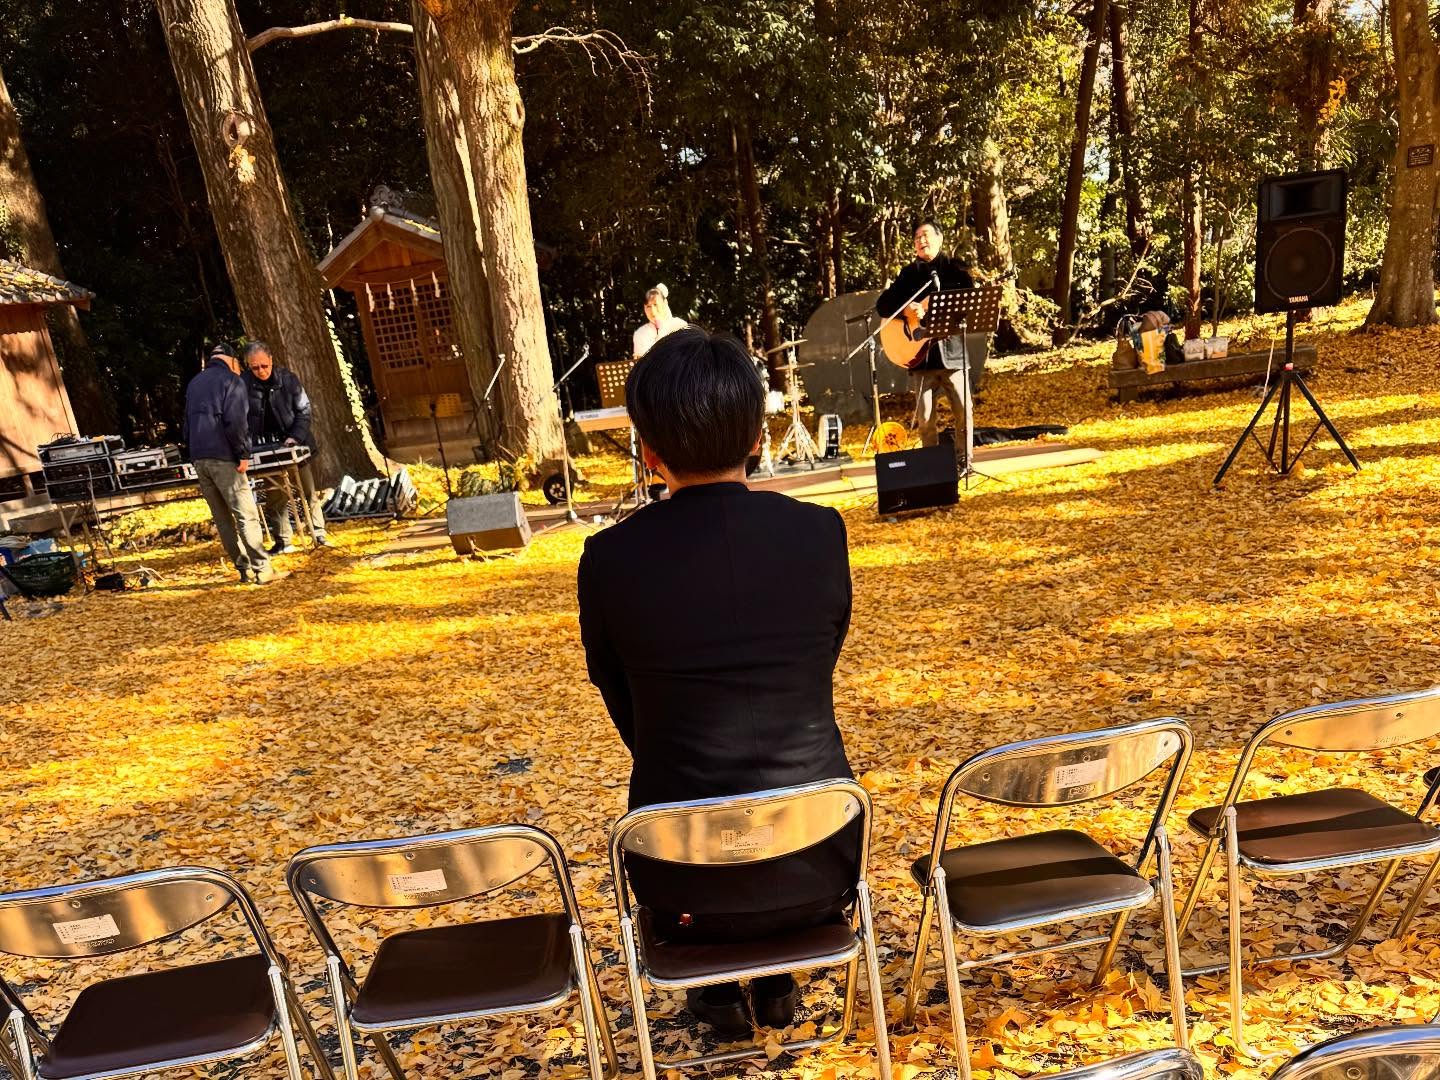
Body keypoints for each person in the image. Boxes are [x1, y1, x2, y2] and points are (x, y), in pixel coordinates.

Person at [578, 327, 856, 1037]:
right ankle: (776, 979)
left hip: (682, 878)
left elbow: (623, 700)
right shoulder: (820, 534)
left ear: (648, 451)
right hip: (822, 861)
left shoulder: (609, 560)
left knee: (685, 781)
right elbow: (817, 667)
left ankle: (721, 991)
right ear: (758, 438)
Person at [875, 219, 976, 447]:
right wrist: (907, 310)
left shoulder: (956, 269)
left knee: (964, 412)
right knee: (925, 419)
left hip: (952, 355)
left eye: (926, 235)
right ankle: (932, 462)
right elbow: (883, 306)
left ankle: (963, 460)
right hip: (921, 358)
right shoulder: (909, 274)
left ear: (939, 238)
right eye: (917, 238)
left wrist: (933, 308)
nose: (921, 241)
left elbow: (968, 302)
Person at [182, 343, 275, 584]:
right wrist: (243, 454)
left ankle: (243, 569)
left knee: (222, 518)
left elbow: (187, 424)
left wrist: (193, 454)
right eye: (240, 364)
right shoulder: (232, 381)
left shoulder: (194, 383)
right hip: (224, 456)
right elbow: (236, 422)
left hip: (199, 457)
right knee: (245, 514)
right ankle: (263, 569)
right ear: (232, 361)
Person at [242, 341, 328, 552]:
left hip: (295, 442)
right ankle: (283, 540)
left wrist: (295, 437)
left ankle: (318, 533)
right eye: (255, 368)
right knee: (275, 495)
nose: (261, 371)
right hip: (265, 446)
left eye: (264, 366)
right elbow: (241, 418)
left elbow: (304, 411)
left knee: (308, 491)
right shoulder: (243, 384)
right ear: (248, 366)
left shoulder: (287, 379)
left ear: (271, 360)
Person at [631, 283, 688, 357]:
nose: (652, 311)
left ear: (665, 303)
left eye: (655, 304)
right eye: (648, 306)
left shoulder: (680, 326)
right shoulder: (640, 334)